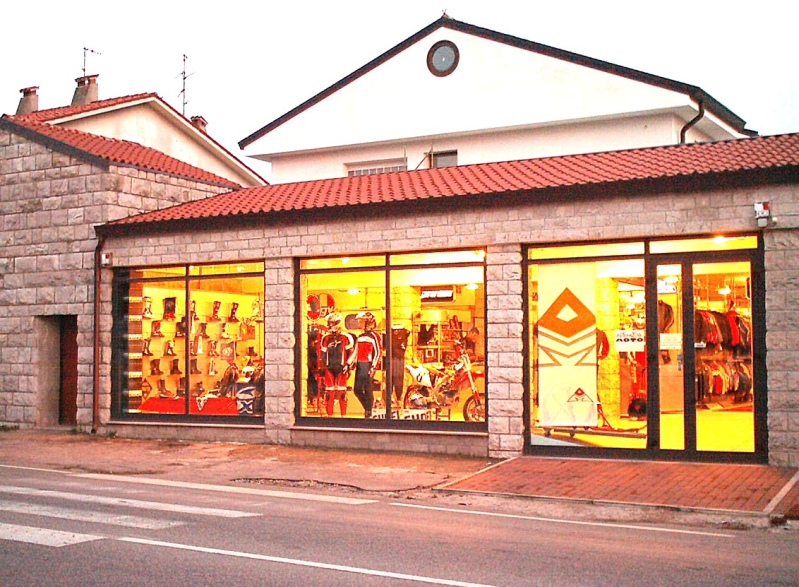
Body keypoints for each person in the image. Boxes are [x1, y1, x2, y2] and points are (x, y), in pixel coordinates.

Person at [351, 311, 382, 418]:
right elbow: (355, 351)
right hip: (360, 364)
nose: (359, 323)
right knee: (357, 390)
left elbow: (378, 352)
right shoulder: (360, 336)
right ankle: (368, 408)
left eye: (361, 321)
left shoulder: (375, 336)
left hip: (368, 364)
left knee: (368, 389)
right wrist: (348, 363)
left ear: (367, 322)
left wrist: (373, 367)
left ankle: (368, 413)